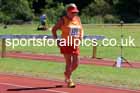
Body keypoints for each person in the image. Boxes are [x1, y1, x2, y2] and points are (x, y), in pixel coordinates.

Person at [52, 3, 83, 88]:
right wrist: (57, 40)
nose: (74, 14)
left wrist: (81, 36)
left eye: (75, 12)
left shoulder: (78, 19)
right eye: (72, 12)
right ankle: (69, 81)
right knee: (68, 62)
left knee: (76, 63)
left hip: (75, 43)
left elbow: (81, 28)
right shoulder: (63, 20)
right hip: (65, 42)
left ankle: (67, 74)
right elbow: (54, 29)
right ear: (68, 12)